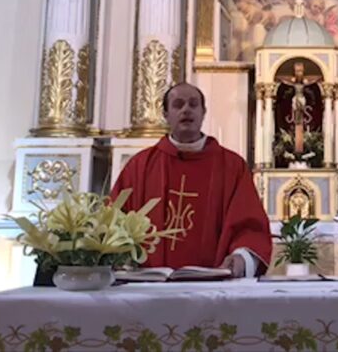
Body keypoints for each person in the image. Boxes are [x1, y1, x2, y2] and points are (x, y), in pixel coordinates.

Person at [110, 83, 272, 277]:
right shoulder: (140, 166)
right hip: (149, 287)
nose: (186, 109)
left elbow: (250, 226)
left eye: (193, 104)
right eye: (178, 104)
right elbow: (113, 221)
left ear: (203, 112)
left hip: (214, 288)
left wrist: (240, 258)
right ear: (165, 114)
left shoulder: (232, 166)